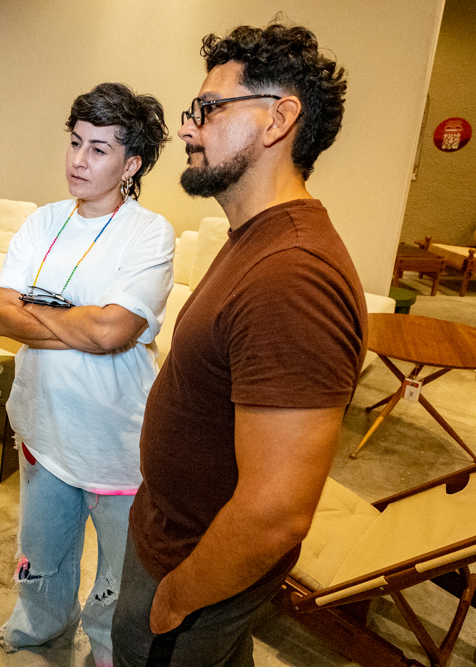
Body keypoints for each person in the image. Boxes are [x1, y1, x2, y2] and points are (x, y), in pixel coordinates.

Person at [112, 24, 368, 666]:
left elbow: (275, 514)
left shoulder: (292, 276)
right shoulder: (254, 239)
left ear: (279, 120)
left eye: (207, 109)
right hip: (173, 541)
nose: (186, 129)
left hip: (191, 576)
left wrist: (174, 602)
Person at [0, 82, 174, 665]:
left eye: (98, 149)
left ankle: (104, 646)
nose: (78, 159)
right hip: (43, 426)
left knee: (118, 569)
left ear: (131, 164)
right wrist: (83, 322)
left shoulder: (149, 233)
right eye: (75, 142)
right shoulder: (43, 222)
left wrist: (37, 314)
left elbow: (114, 333)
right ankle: (40, 626)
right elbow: (0, 315)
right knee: (40, 554)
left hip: (115, 437)